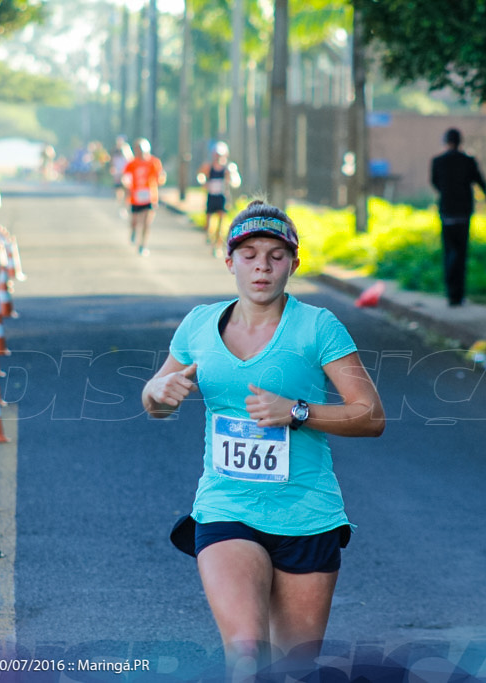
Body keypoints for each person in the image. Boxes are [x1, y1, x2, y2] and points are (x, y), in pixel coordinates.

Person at [142, 201, 385, 681]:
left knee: (293, 669)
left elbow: (371, 415)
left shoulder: (317, 327)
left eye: (276, 255)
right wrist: (157, 392)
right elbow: (158, 400)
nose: (262, 266)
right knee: (247, 653)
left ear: (294, 263)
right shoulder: (199, 325)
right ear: (228, 261)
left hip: (306, 513)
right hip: (226, 506)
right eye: (249, 254)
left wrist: (296, 412)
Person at [430, 128, 486, 306]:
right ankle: (459, 295)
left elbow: (435, 183)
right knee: (461, 252)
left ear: (445, 141)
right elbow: (480, 180)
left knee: (450, 252)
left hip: (447, 212)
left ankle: (451, 294)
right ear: (460, 141)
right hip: (464, 213)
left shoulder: (438, 161)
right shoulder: (468, 161)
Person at [121, 138, 166, 256]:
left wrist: (161, 178)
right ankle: (134, 231)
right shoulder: (132, 164)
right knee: (135, 221)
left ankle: (143, 245)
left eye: (141, 150)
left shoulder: (154, 162)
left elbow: (160, 178)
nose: (139, 152)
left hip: (150, 196)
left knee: (147, 222)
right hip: (136, 197)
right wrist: (126, 184)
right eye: (137, 150)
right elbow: (126, 177)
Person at [196, 141, 242, 256]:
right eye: (216, 154)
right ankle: (209, 236)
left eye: (220, 155)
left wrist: (230, 179)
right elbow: (200, 176)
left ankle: (217, 246)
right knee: (208, 221)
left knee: (221, 224)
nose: (218, 157)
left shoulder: (229, 168)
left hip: (222, 198)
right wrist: (203, 182)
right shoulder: (209, 167)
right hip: (211, 197)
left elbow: (236, 182)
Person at [110, 136, 133, 213]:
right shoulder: (115, 152)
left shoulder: (127, 150)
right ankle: (120, 205)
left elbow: (130, 161)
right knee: (118, 191)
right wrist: (113, 170)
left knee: (126, 191)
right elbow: (113, 163)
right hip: (117, 174)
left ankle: (126, 206)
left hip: (125, 175)